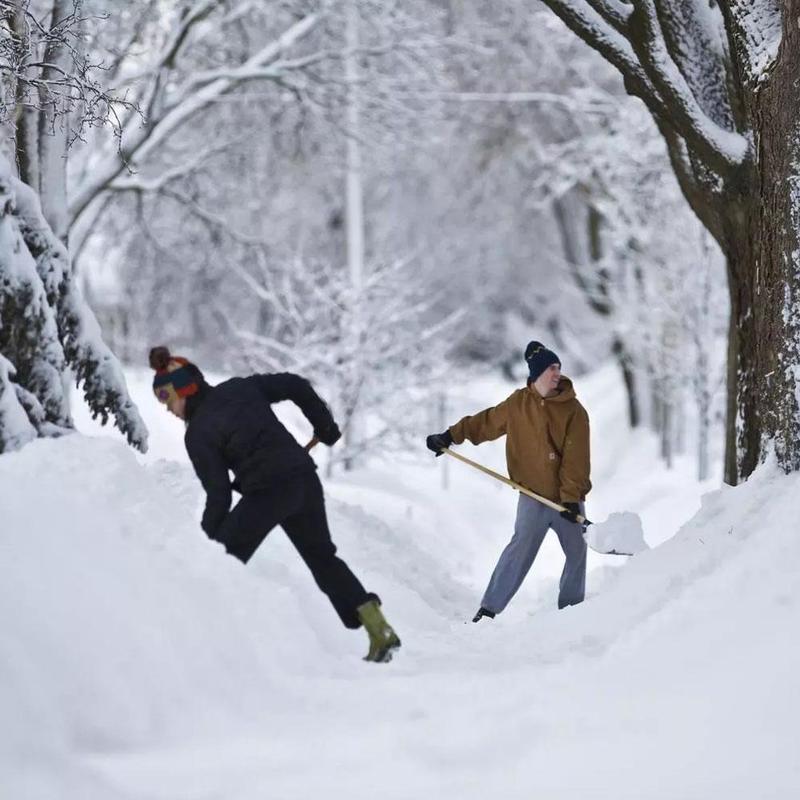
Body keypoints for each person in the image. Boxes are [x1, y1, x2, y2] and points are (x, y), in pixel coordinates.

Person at [149, 346, 401, 663]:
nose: (168, 410)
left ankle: (202, 646)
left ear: (185, 390)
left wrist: (205, 543)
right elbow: (295, 384)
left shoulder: (197, 434)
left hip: (268, 493)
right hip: (303, 480)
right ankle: (379, 629)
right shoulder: (240, 388)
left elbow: (219, 495)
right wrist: (324, 425)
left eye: (167, 399)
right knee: (324, 560)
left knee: (219, 563)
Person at [426, 341, 591, 620]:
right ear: (537, 374)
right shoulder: (518, 404)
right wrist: (450, 436)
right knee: (519, 550)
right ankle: (488, 609)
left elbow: (577, 459)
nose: (557, 373)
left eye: (559, 368)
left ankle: (571, 612)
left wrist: (572, 497)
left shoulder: (573, 410)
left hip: (566, 500)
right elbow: (486, 422)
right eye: (552, 368)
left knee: (577, 553)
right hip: (532, 497)